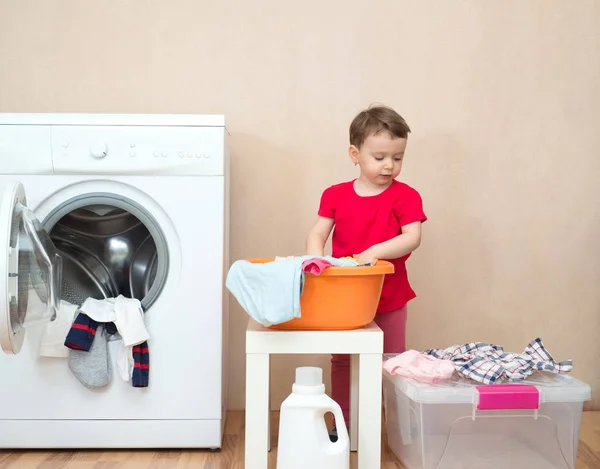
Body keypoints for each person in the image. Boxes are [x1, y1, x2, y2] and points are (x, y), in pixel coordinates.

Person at [305, 104, 427, 441]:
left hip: (389, 296)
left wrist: (373, 252)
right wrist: (318, 262)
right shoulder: (335, 194)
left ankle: (397, 429)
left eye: (398, 158)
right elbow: (318, 233)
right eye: (380, 157)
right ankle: (341, 425)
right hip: (345, 298)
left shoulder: (405, 196)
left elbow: (412, 237)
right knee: (343, 360)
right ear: (355, 154)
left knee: (392, 362)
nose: (390, 165)